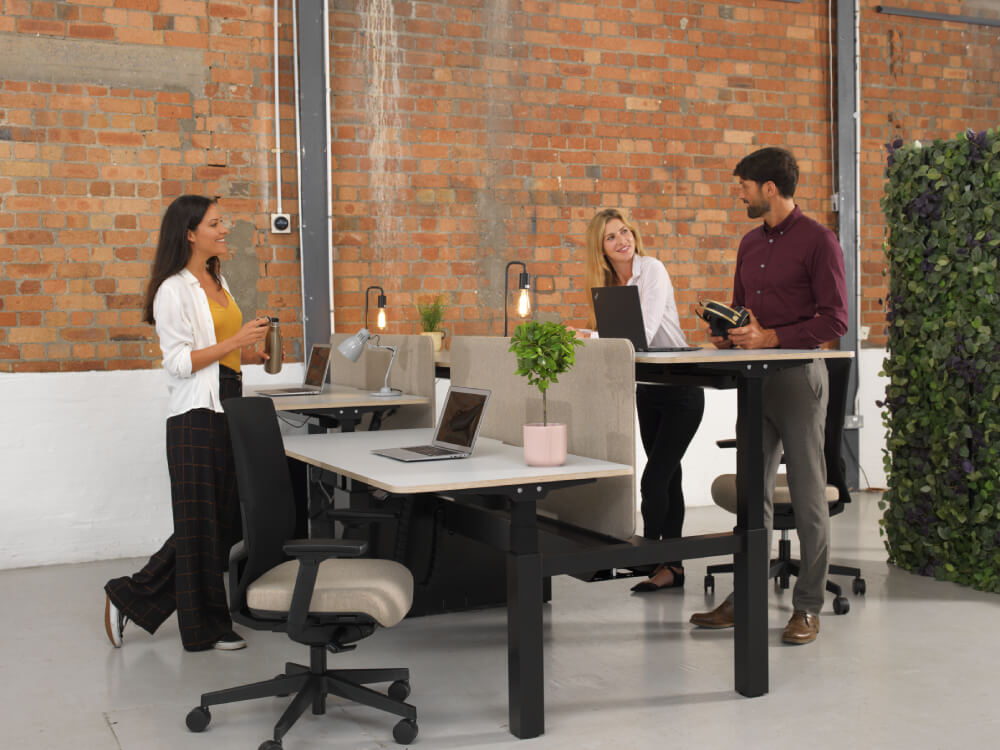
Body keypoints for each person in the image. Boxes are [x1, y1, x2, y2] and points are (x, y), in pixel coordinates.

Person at [689, 147, 847, 644]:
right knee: (751, 494)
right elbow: (743, 312)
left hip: (798, 379)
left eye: (744, 186)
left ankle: (808, 607)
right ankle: (747, 597)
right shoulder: (749, 244)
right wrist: (729, 334)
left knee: (807, 496)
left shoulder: (819, 241)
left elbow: (835, 319)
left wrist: (771, 337)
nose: (740, 194)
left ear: (770, 188)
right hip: (753, 381)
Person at [103, 195, 270, 652]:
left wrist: (249, 353)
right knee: (201, 524)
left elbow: (217, 351)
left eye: (222, 222)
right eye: (215, 224)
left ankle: (131, 595)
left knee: (223, 522)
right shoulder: (172, 289)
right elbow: (178, 363)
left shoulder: (218, 281)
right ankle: (206, 627)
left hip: (229, 404)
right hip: (195, 415)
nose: (224, 229)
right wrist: (235, 341)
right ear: (190, 234)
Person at [582, 208, 705, 592]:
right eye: (611, 237)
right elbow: (617, 343)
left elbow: (642, 333)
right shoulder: (608, 286)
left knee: (653, 481)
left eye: (625, 232)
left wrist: (590, 337)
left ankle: (648, 557)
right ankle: (672, 569)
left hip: (681, 387)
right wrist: (588, 337)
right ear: (601, 248)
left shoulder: (652, 270)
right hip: (649, 388)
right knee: (669, 478)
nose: (622, 240)